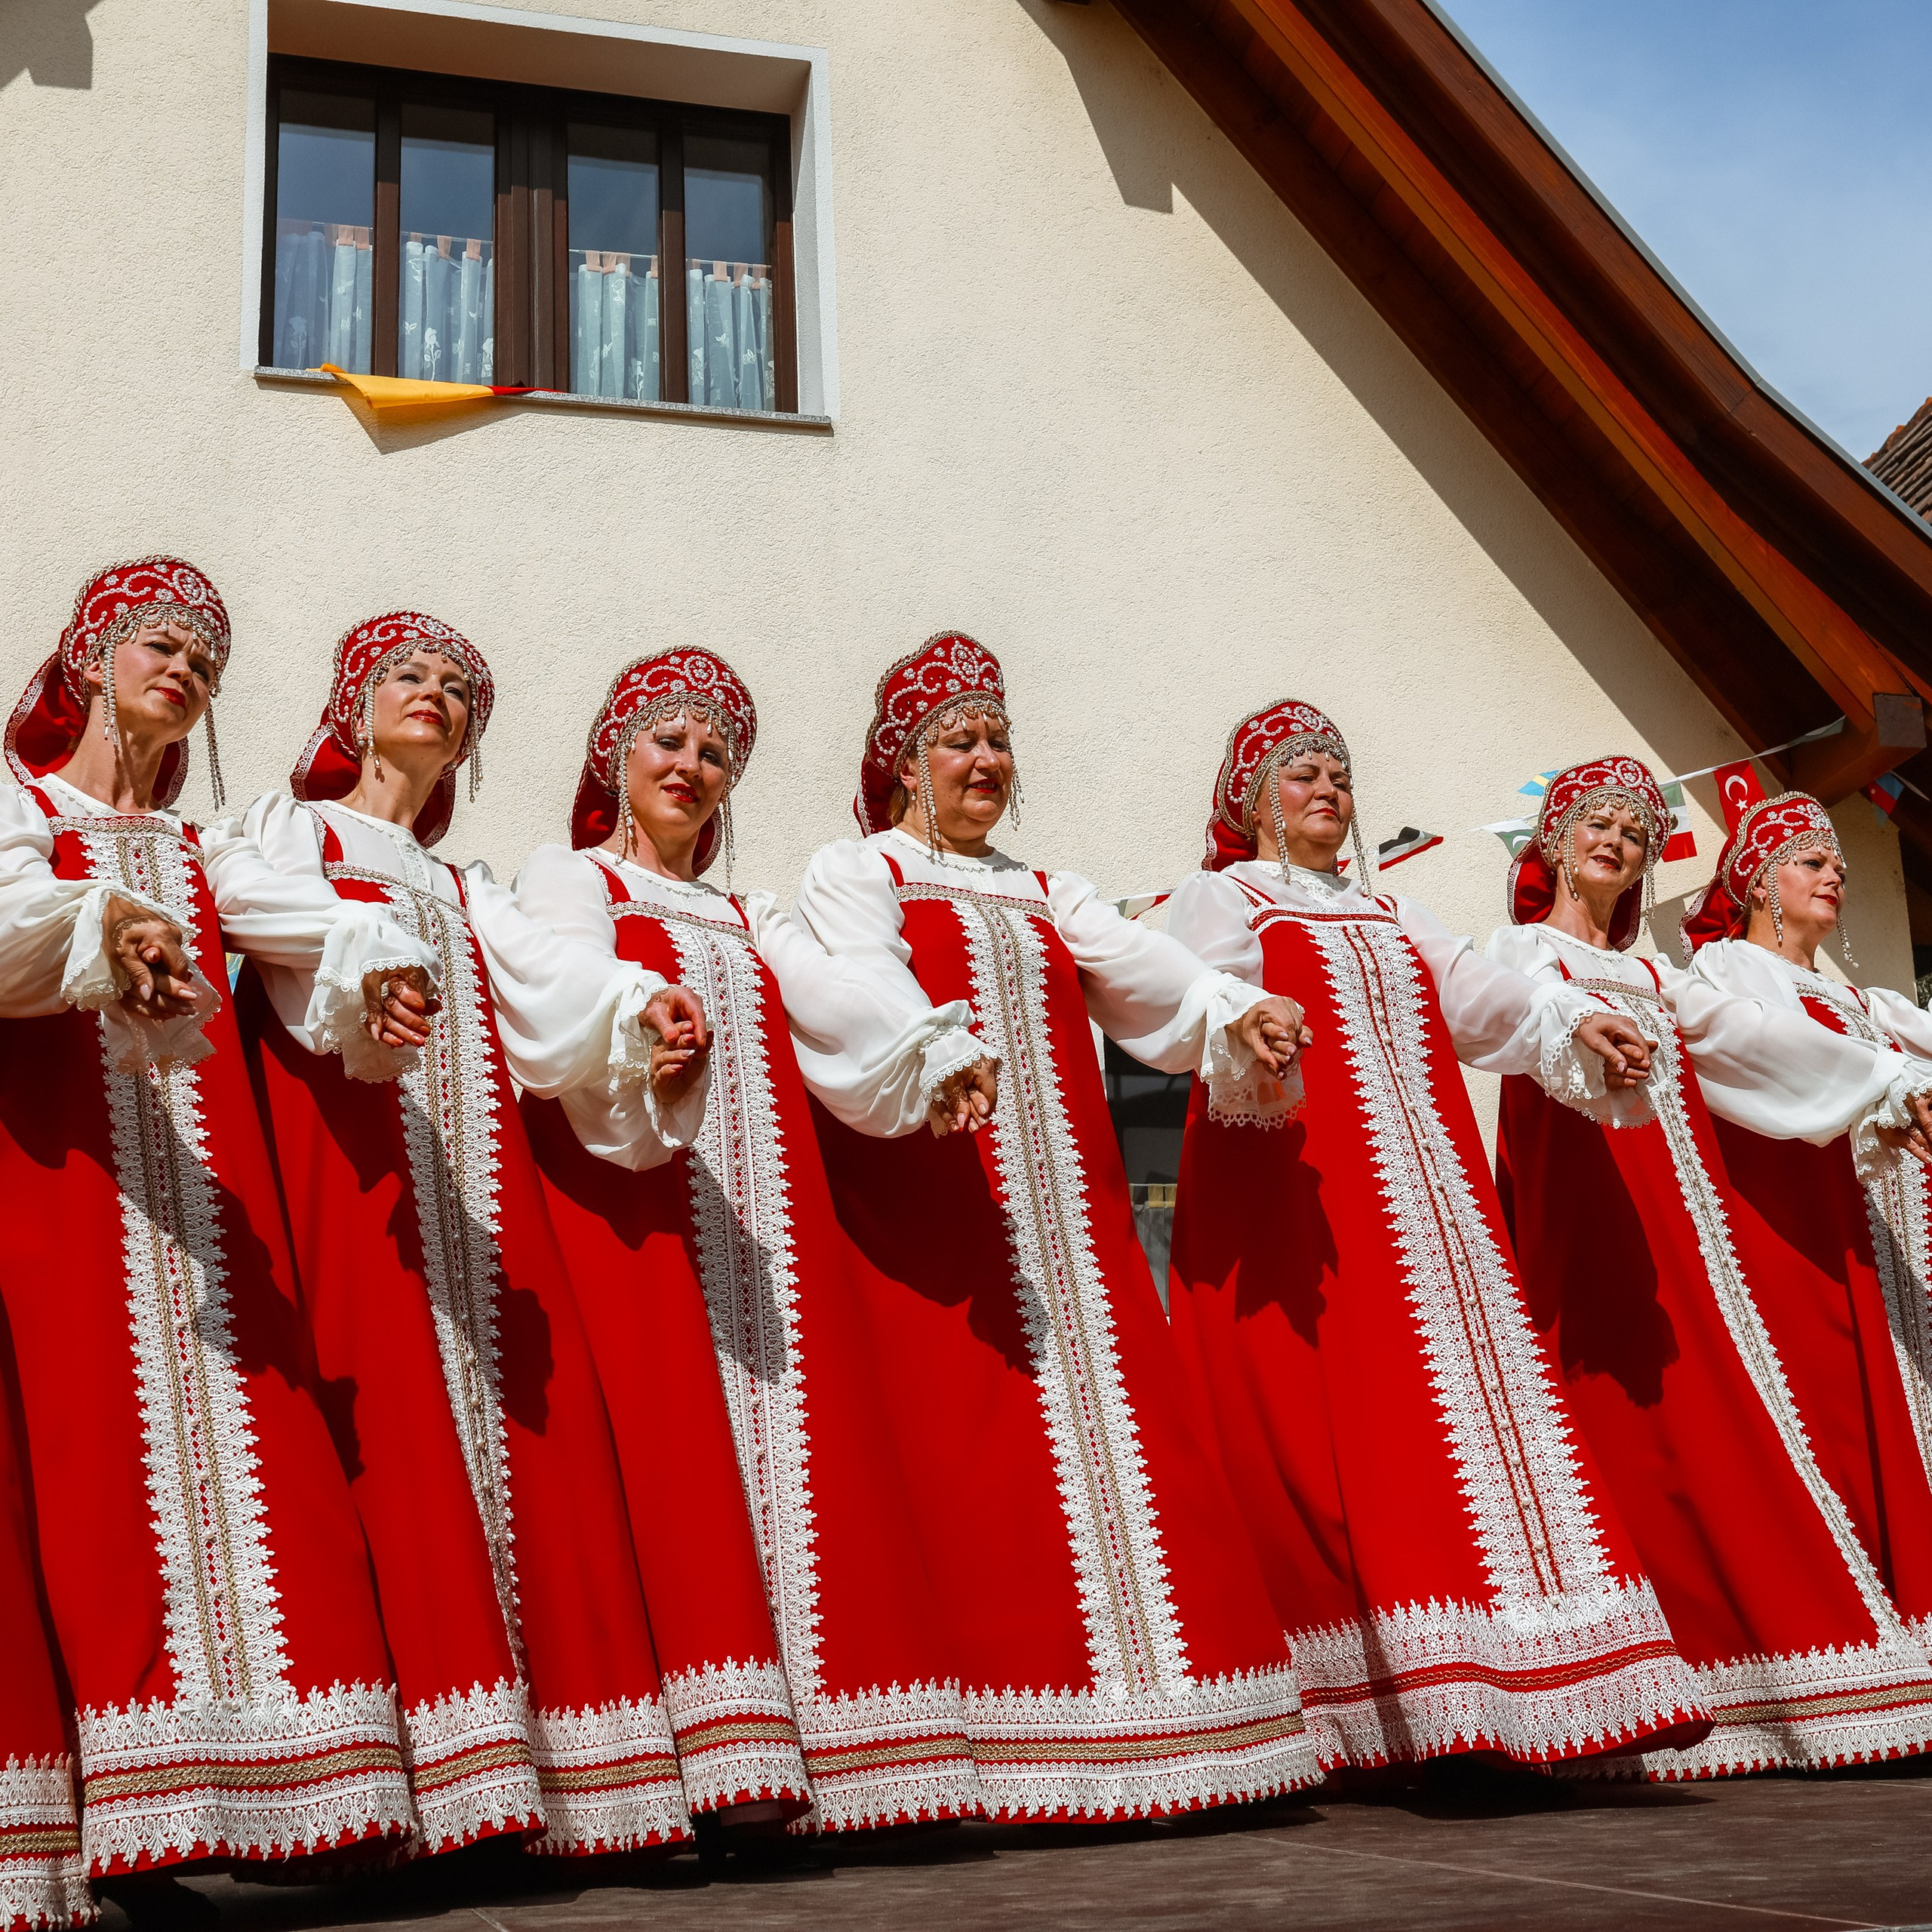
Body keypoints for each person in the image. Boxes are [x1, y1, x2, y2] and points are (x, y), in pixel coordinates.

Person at [789, 632, 1321, 1820]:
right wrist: (932, 1051)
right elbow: (865, 982)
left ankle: (1177, 1720)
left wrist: (1232, 1009)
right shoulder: (855, 869)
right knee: (970, 1443)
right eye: (957, 740)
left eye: (996, 740)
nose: (984, 759)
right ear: (904, 764)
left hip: (1070, 1211)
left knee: (1124, 1428)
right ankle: (1002, 1732)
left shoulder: (1043, 888)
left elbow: (1141, 967)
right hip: (942, 1209)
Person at [214, 612, 714, 1854]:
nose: (433, 695)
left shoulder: (462, 883)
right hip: (342, 1173)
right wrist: (357, 952)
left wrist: (639, 1005)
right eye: (407, 677)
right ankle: (387, 1785)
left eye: (456, 689)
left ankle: (529, 1780)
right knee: (376, 1438)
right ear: (352, 703)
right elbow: (253, 906)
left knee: (512, 1449)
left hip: (474, 1190)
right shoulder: (292, 832)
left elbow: (548, 977)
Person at [0, 559, 435, 1903]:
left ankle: (313, 1798)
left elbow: (294, 915)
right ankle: (133, 1815)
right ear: (87, 661)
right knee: (91, 1469)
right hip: (64, 1193)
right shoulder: (20, 810)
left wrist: (376, 959)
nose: (183, 671)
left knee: (270, 1458)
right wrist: (103, 916)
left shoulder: (209, 846)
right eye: (159, 646)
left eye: (204, 660)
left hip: (209, 1211)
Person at [1165, 712, 1703, 1777]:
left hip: (1433, 1207)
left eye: (1340, 774)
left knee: (1466, 1423)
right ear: (1251, 796)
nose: (1328, 789)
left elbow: (1482, 998)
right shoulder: (1224, 897)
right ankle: (1406, 1701)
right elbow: (1196, 997)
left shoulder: (1396, 909)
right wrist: (1244, 1015)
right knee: (1356, 1427)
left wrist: (1570, 1020)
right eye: (1302, 774)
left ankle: (1528, 1691)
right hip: (1305, 1196)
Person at [518, 648, 989, 1832]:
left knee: (799, 1468)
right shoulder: (573, 878)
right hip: (638, 1205)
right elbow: (565, 976)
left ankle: (830, 1756)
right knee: (676, 1458)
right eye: (667, 741)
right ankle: (696, 1770)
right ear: (614, 758)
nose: (691, 764)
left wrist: (925, 1050)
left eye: (714, 751)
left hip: (767, 1217)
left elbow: (831, 994)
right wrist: (638, 1015)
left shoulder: (746, 910)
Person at [1489, 759, 1932, 1775]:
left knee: (1708, 1416)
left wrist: (1877, 1081)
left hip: (1677, 1225)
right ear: (1553, 843)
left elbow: (1741, 1037)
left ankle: (1754, 1665)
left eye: (1637, 834)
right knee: (1603, 1416)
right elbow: (1498, 1016)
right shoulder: (1517, 952)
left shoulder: (1660, 977)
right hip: (1585, 1206)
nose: (1617, 841)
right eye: (1596, 824)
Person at [1682, 793, 1932, 1668]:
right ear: (1756, 877)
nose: (1834, 874)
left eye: (1837, 864)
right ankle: (1859, 1639)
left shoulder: (1860, 995)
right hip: (1798, 1232)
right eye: (1809, 861)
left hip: (1884, 1234)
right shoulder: (1731, 972)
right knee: (1835, 1413)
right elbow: (1762, 1057)